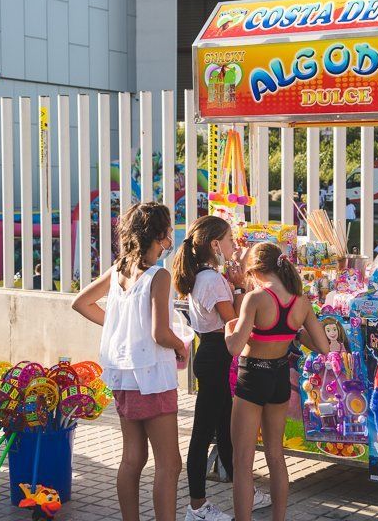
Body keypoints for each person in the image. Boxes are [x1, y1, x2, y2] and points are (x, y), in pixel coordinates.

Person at [72, 203, 186, 521]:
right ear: (161, 235)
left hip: (122, 374)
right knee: (169, 463)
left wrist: (120, 325)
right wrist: (181, 346)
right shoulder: (158, 276)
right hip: (152, 376)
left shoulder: (119, 269)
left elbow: (80, 302)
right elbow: (161, 333)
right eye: (168, 232)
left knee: (132, 458)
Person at [172, 215, 271, 520]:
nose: (233, 245)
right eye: (229, 239)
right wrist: (241, 286)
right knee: (204, 431)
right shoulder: (212, 279)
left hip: (214, 353)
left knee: (226, 429)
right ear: (215, 244)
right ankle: (198, 506)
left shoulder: (207, 276)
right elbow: (235, 320)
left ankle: (246, 493)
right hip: (216, 354)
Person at [225, 243, 330, 521]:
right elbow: (323, 346)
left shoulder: (256, 298)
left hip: (253, 375)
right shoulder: (301, 301)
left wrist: (228, 331)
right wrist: (292, 332)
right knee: (276, 455)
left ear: (255, 269)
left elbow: (235, 347)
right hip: (280, 376)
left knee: (243, 461)